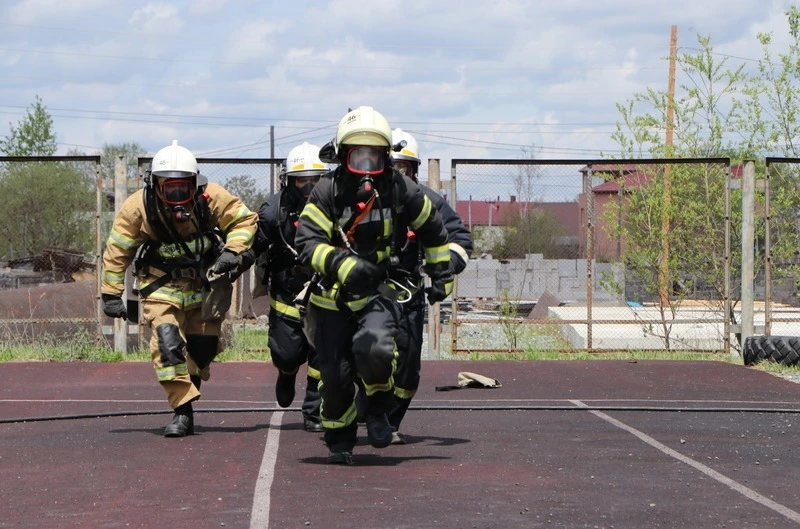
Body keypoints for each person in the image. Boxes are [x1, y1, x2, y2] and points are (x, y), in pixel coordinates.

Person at [295, 106, 452, 464]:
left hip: (378, 291)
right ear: (342, 156)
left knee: (377, 348)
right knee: (334, 378)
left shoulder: (400, 188)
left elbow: (432, 227)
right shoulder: (327, 190)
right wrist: (342, 264)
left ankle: (378, 408)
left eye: (374, 156)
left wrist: (441, 274)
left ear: (386, 157)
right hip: (331, 297)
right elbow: (306, 243)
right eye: (358, 156)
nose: (367, 166)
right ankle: (339, 439)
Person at [101, 140, 257, 437]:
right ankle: (182, 411)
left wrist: (232, 251)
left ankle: (193, 381)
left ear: (195, 185)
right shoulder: (138, 206)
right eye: (168, 187)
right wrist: (111, 292)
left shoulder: (211, 197)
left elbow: (244, 220)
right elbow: (118, 248)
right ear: (155, 184)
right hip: (160, 285)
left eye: (182, 188)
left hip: (204, 284)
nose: (176, 195)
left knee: (202, 350)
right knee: (167, 341)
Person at [386, 128, 473, 444]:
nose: (396, 174)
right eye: (390, 166)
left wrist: (441, 267)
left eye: (403, 167)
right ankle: (357, 414)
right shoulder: (356, 199)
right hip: (364, 290)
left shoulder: (428, 201)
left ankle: (389, 420)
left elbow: (460, 240)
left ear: (413, 170)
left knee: (407, 369)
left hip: (408, 292)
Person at [249, 142, 327, 433]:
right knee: (287, 353)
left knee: (323, 352)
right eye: (302, 180)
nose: (309, 186)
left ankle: (313, 410)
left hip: (325, 288)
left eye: (315, 179)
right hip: (286, 291)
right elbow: (253, 246)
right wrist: (231, 262)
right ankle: (287, 371)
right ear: (289, 181)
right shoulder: (273, 211)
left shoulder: (335, 205)